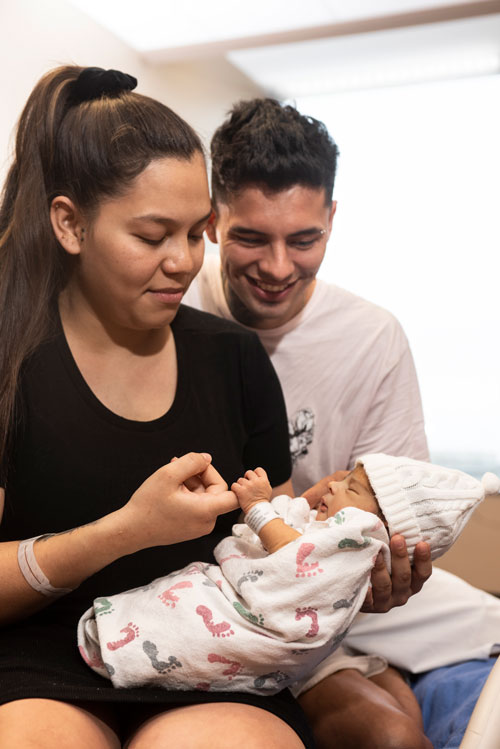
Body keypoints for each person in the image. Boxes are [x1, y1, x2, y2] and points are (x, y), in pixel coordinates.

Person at [0, 67, 316, 749]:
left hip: (213, 655)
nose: (182, 261)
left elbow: (281, 544)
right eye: (152, 236)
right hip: (42, 660)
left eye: (197, 232)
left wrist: (346, 564)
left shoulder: (233, 359)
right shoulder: (13, 360)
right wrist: (127, 530)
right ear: (70, 224)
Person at [184, 97, 500, 748]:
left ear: (333, 218)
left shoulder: (372, 338)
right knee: (384, 727)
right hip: (218, 580)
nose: (278, 267)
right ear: (212, 222)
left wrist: (388, 568)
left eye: (304, 238)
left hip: (338, 584)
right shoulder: (171, 310)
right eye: (251, 237)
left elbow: (392, 519)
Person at [78, 456, 498, 698]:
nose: (334, 487)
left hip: (255, 625)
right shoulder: (342, 532)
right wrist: (291, 510)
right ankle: (123, 639)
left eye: (351, 489)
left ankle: (123, 646)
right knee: (178, 603)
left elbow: (296, 558)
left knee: (188, 618)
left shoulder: (362, 536)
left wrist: (260, 507)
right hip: (246, 601)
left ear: (383, 524)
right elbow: (302, 545)